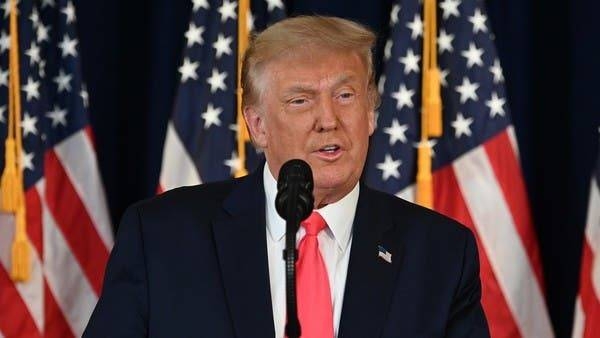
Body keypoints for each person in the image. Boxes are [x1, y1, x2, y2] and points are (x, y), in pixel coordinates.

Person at [83, 16, 489, 338]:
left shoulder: (441, 254)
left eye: (345, 96)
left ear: (370, 113)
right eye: (301, 100)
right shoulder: (162, 238)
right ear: (257, 126)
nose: (328, 120)